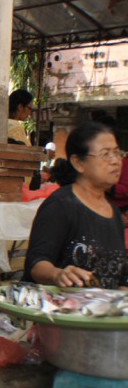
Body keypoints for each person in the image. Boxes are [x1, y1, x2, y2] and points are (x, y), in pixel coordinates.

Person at [24, 121, 128, 290]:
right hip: (61, 311)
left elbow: (121, 277)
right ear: (78, 163)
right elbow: (36, 264)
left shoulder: (114, 213)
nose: (115, 161)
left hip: (101, 313)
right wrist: (58, 274)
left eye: (117, 153)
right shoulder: (60, 205)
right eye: (106, 154)